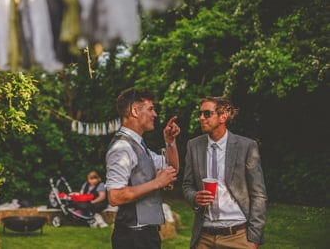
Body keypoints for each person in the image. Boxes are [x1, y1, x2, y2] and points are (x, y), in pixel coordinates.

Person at [182, 97, 266, 248]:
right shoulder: (193, 146)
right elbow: (187, 185)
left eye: (207, 113)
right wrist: (195, 197)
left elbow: (258, 194)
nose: (201, 118)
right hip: (204, 237)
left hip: (238, 237)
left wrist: (254, 238)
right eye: (200, 113)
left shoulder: (246, 146)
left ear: (223, 117)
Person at [105, 87, 180, 248]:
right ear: (135, 111)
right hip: (133, 237)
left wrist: (170, 142)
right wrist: (157, 183)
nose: (155, 114)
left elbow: (172, 169)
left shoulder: (140, 145)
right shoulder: (122, 147)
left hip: (146, 235)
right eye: (151, 109)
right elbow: (115, 196)